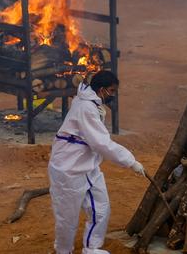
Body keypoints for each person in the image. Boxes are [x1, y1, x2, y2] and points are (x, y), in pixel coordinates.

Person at [48, 70, 145, 254]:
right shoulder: (86, 108)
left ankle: (92, 248)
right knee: (67, 218)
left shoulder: (92, 103)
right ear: (101, 90)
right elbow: (102, 143)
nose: (113, 95)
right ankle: (62, 251)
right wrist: (131, 162)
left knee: (101, 207)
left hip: (88, 166)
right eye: (111, 90)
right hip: (68, 169)